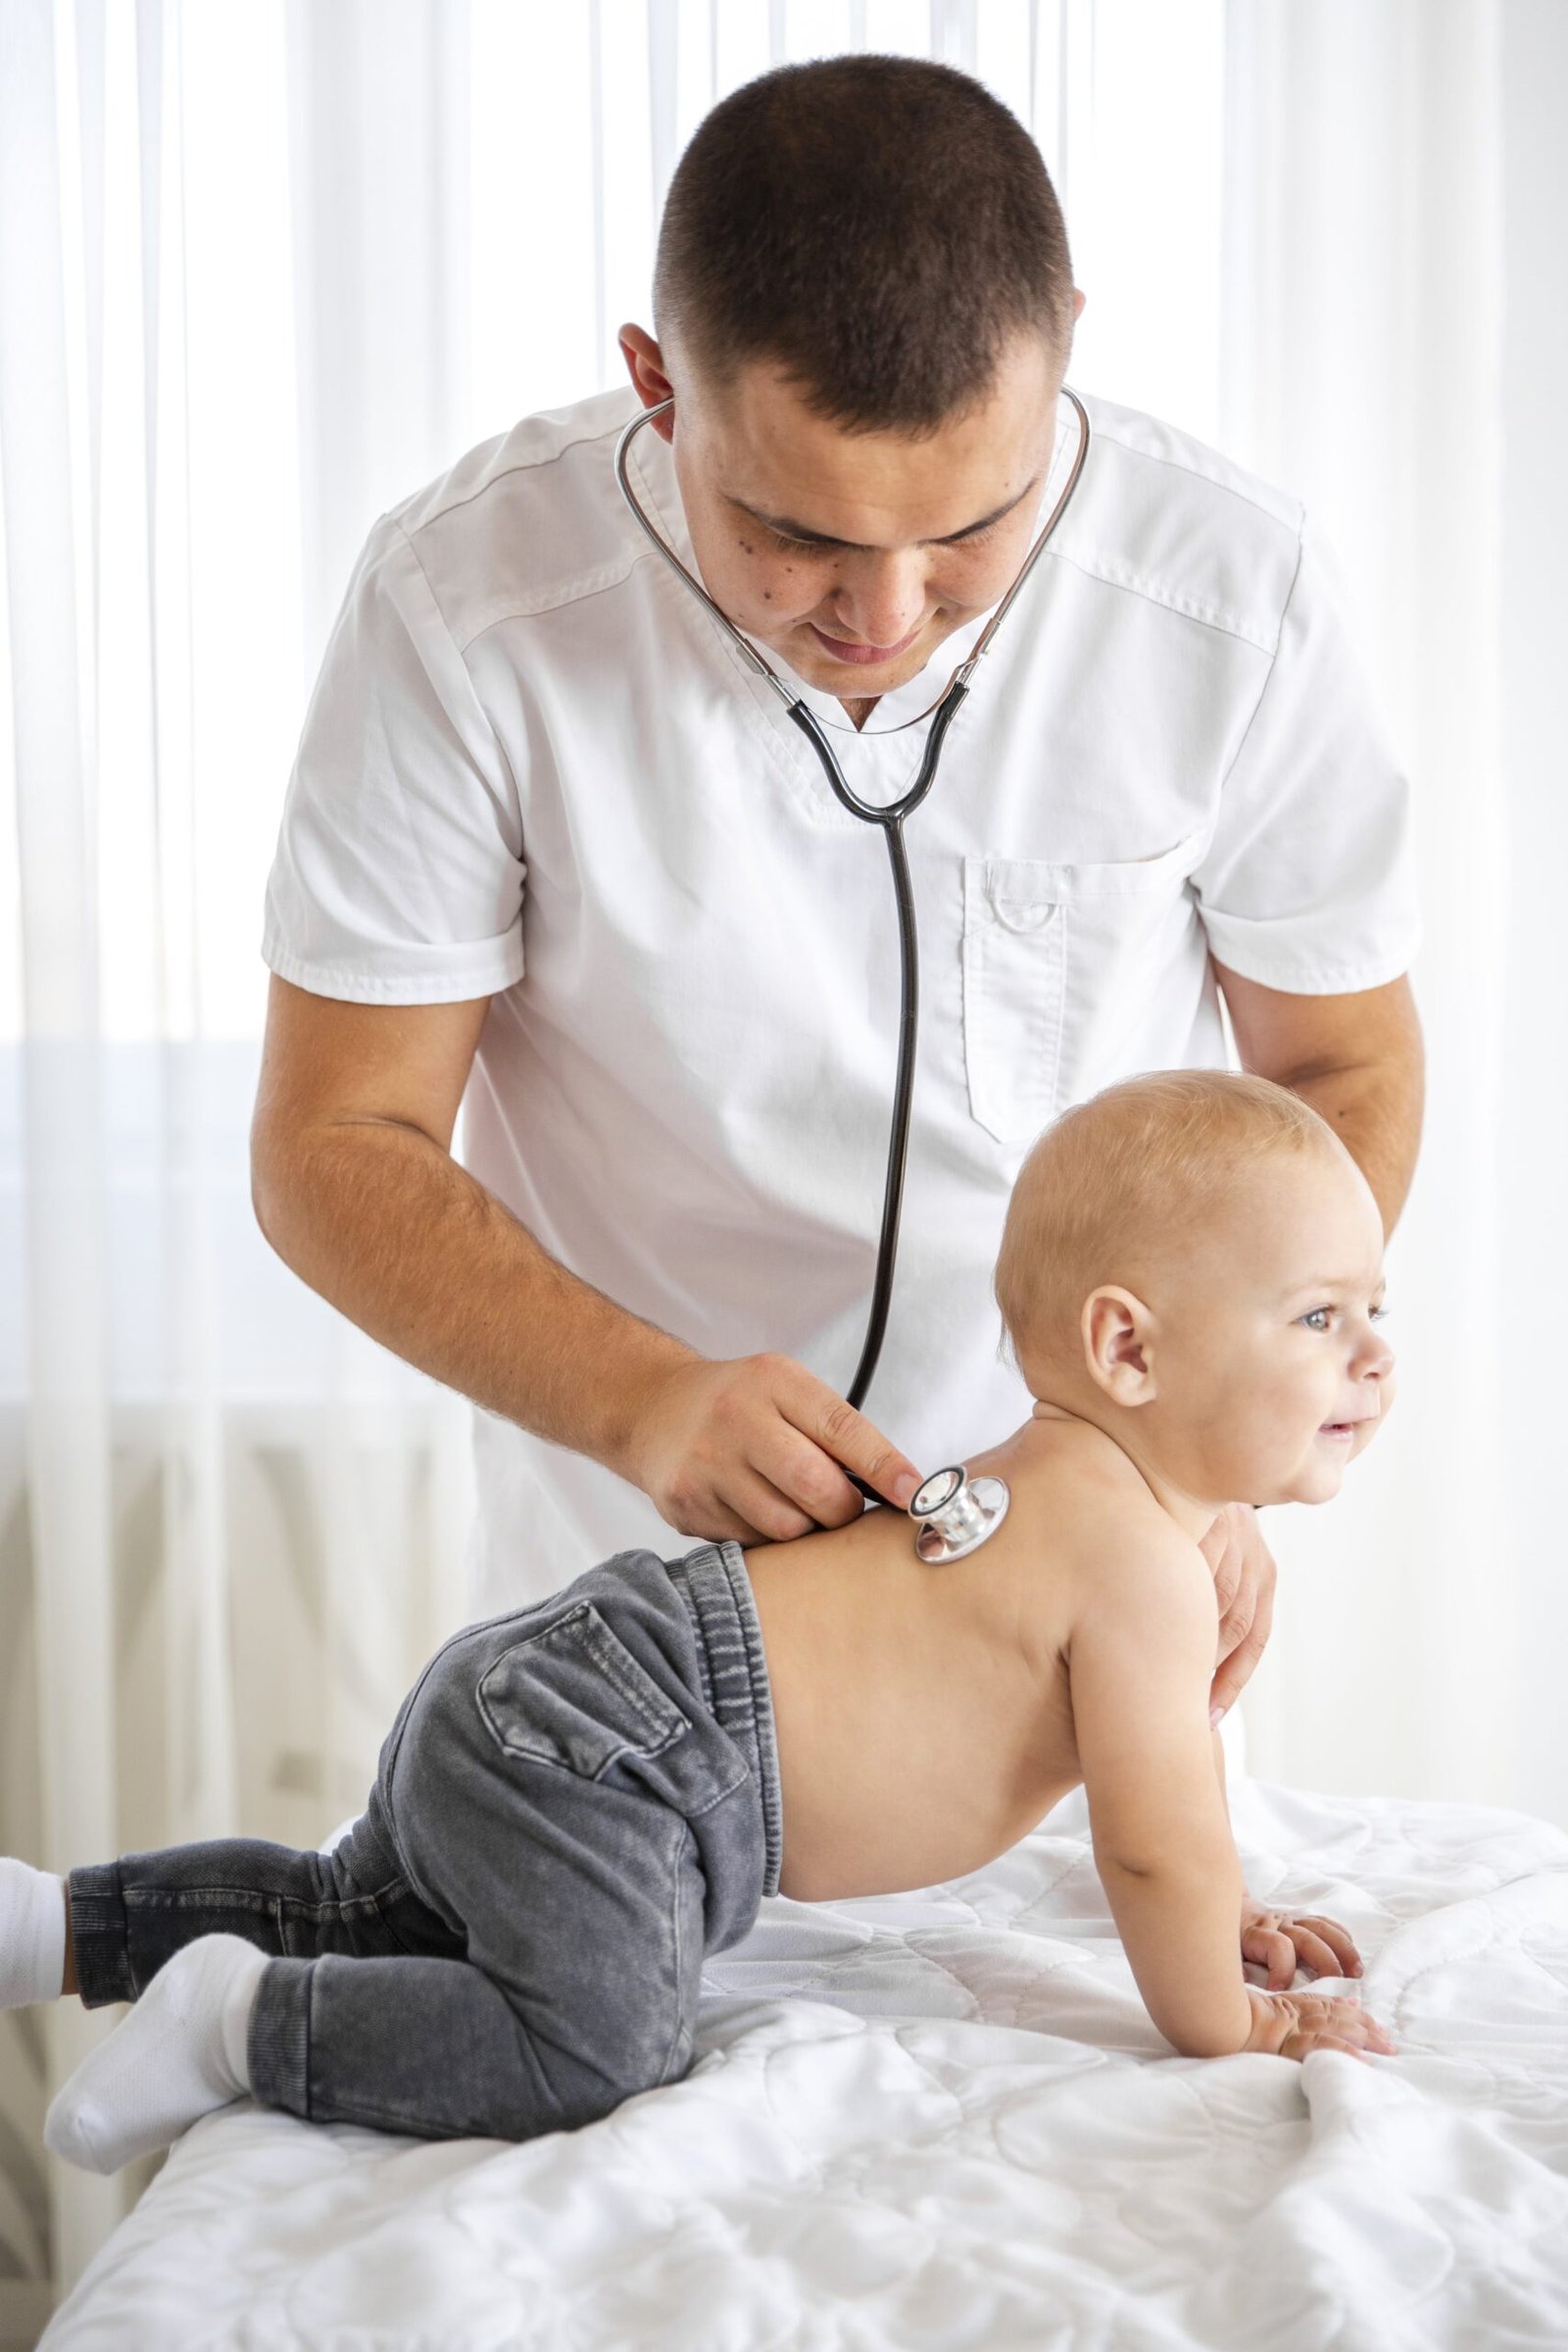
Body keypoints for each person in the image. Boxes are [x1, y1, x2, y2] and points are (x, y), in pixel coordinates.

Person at [252, 55, 1423, 1722]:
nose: (883, 615)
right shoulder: (462, 606)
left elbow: (1338, 1066)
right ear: (658, 387)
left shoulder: (1236, 593)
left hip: (1098, 1608)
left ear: (1067, 345)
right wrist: (642, 1398)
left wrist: (1195, 1460)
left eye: (969, 527)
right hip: (621, 1626)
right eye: (792, 532)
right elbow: (330, 1147)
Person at [5, 1072, 1397, 2172]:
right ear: (1129, 1349)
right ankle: (238, 2024)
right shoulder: (1138, 1568)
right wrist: (1242, 2017)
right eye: (1321, 1317)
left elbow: (1175, 1830)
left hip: (565, 1690)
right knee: (590, 2048)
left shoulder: (1071, 1495)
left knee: (367, 1913)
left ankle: (66, 1928)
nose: (1374, 1354)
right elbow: (1153, 1853)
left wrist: (1231, 1906)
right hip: (630, 1754)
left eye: (1376, 1310)